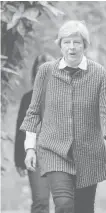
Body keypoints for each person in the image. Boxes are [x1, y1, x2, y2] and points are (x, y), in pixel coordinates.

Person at [20, 20, 106, 213]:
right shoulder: (46, 72)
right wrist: (30, 148)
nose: (72, 47)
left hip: (88, 154)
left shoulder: (98, 73)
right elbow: (33, 112)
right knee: (64, 204)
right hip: (53, 151)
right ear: (60, 45)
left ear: (85, 45)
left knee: (83, 208)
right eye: (67, 42)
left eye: (77, 42)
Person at [14, 54, 54, 213]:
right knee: (41, 201)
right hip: (37, 156)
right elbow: (21, 130)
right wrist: (19, 159)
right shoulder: (28, 99)